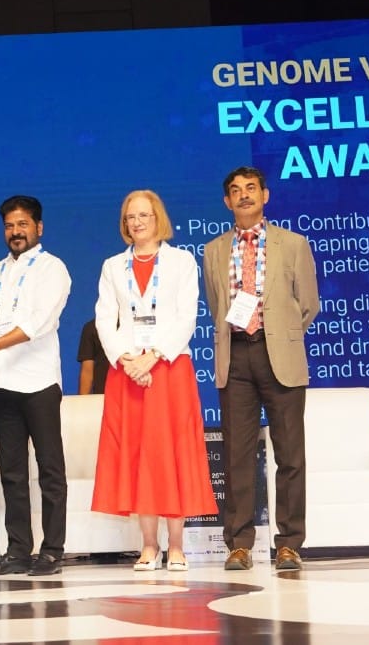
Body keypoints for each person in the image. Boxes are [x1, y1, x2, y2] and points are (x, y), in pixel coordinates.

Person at [89, 190, 217, 571]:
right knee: (137, 455)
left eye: (144, 215)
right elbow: (104, 318)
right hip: (127, 371)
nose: (137, 222)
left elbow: (186, 317)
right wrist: (126, 358)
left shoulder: (181, 261)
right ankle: (148, 546)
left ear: (158, 218)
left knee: (171, 454)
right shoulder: (113, 266)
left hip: (169, 368)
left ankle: (176, 546)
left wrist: (154, 355)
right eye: (130, 217)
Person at [205, 166, 319, 572]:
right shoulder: (213, 250)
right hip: (236, 357)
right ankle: (238, 545)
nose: (244, 195)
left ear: (265, 195)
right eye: (236, 190)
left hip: (279, 356)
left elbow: (308, 305)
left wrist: (278, 334)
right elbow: (216, 304)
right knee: (237, 455)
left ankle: (289, 544)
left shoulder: (294, 244)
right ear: (227, 201)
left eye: (251, 188)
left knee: (289, 454)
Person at [0, 195, 71, 577]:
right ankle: (18, 551)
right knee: (12, 472)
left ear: (39, 227)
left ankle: (52, 551)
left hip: (39, 380)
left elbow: (39, 323)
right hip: (3, 380)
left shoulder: (53, 268)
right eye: (9, 226)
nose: (15, 232)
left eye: (22, 224)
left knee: (50, 469)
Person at [76, 319, 110, 394]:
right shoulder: (91, 327)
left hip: (131, 393)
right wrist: (82, 400)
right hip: (102, 395)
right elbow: (87, 372)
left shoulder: (134, 326)